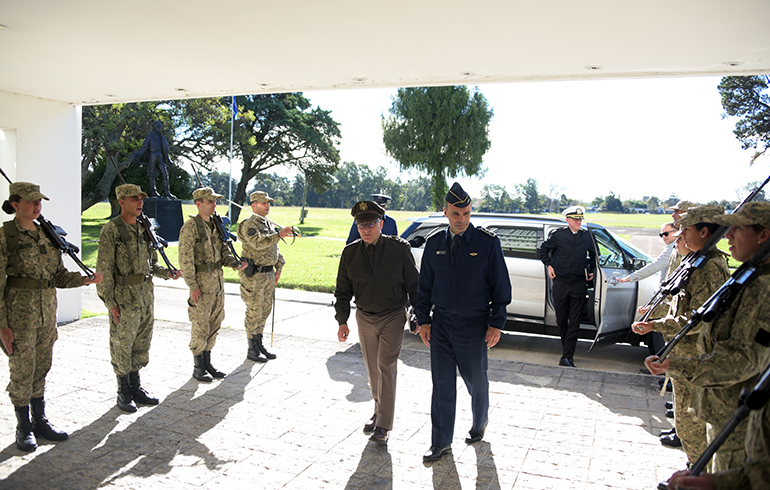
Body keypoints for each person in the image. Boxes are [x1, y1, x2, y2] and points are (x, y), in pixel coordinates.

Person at [646, 202, 770, 477]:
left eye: (738, 228)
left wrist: (676, 364)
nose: (728, 235)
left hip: (737, 419)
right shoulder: (750, 277)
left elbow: (742, 360)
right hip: (723, 406)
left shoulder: (762, 289)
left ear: (763, 236)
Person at [0, 182, 103, 451]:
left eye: (39, 201)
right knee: (22, 371)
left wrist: (84, 279)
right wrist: (2, 325)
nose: (37, 206)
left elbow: (58, 276)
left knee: (42, 367)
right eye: (31, 201)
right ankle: (23, 427)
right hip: (19, 317)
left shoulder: (47, 234)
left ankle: (40, 421)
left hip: (47, 315)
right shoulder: (6, 236)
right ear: (15, 205)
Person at [416, 182, 512, 462]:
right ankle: (440, 443)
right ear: (446, 212)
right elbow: (424, 287)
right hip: (442, 325)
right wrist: (423, 320)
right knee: (442, 386)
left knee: (476, 383)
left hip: (474, 326)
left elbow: (501, 287)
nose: (461, 219)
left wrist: (496, 323)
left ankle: (479, 422)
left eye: (467, 213)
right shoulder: (434, 243)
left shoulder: (487, 243)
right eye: (456, 214)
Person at [633, 205, 731, 472]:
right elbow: (679, 303)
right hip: (683, 356)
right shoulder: (697, 260)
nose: (681, 235)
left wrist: (654, 325)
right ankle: (694, 468)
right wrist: (653, 316)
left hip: (694, 358)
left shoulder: (711, 267)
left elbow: (697, 319)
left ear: (705, 232)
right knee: (686, 425)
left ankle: (698, 474)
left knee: (694, 427)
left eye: (686, 230)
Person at [334, 200, 419, 444]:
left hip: (392, 316)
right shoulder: (350, 253)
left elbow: (414, 286)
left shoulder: (399, 249)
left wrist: (420, 316)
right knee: (372, 369)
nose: (366, 229)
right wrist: (342, 320)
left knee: (386, 366)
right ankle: (378, 410)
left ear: (381, 223)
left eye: (371, 224)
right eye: (361, 225)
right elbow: (342, 290)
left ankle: (383, 425)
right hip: (364, 317)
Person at [96, 184, 183, 413]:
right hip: (124, 298)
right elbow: (103, 270)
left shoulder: (144, 228)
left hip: (145, 296)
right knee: (122, 344)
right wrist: (110, 302)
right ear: (121, 202)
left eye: (141, 198)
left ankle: (135, 387)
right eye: (134, 198)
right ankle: (123, 391)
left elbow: (152, 264)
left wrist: (168, 273)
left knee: (141, 343)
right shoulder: (112, 230)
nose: (140, 202)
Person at [179, 187, 247, 382]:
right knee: (201, 324)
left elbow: (224, 251)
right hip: (201, 284)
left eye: (215, 201)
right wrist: (193, 285)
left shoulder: (216, 225)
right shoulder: (190, 227)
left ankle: (207, 362)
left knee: (215, 323)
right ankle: (198, 367)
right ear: (198, 203)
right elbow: (185, 259)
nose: (214, 204)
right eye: (210, 201)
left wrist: (235, 263)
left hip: (217, 283)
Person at [238, 191, 294, 363]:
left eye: (268, 202)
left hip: (268, 274)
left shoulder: (268, 224)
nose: (267, 205)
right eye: (263, 203)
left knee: (264, 311)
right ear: (253, 205)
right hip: (254, 275)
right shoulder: (250, 224)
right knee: (254, 311)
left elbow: (273, 249)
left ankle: (259, 343)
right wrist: (279, 235)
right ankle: (252, 348)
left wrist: (279, 266)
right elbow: (258, 243)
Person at [538, 205, 596, 368]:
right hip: (561, 283)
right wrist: (549, 266)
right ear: (568, 220)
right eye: (575, 219)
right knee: (561, 320)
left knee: (575, 322)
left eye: (580, 219)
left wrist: (591, 270)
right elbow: (543, 250)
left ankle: (567, 357)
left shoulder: (586, 237)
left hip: (578, 284)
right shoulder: (558, 236)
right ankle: (567, 350)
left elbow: (594, 256)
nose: (579, 222)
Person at [133, 121, 175, 198]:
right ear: (154, 127)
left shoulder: (162, 138)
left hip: (160, 155)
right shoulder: (149, 136)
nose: (159, 128)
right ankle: (153, 192)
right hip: (153, 154)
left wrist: (168, 160)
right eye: (158, 126)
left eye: (160, 126)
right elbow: (144, 146)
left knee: (165, 174)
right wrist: (139, 155)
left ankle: (167, 192)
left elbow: (166, 150)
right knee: (151, 173)